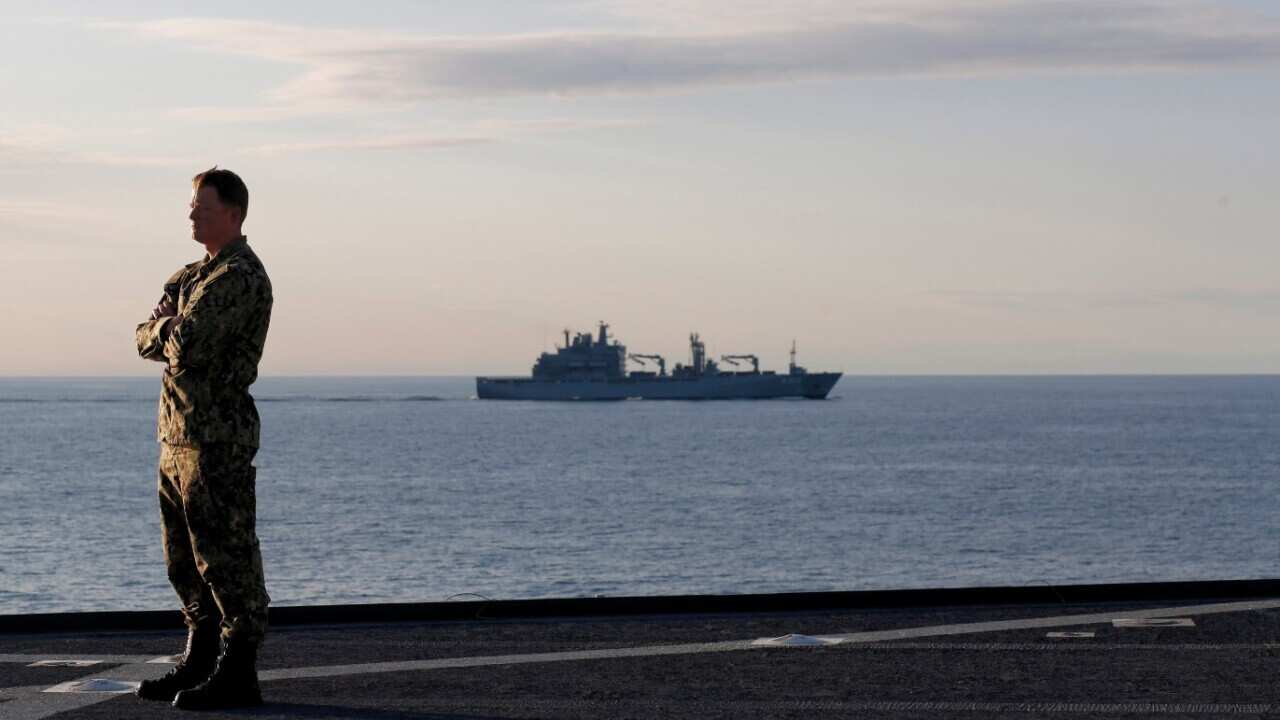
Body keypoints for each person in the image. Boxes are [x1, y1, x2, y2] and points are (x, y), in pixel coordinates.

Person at [133, 167, 273, 710]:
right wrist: (166, 329)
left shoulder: (239, 277)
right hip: (177, 436)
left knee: (226, 556)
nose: (192, 215)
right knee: (182, 559)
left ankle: (238, 670)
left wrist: (169, 328)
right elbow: (142, 338)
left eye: (203, 208)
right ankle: (199, 658)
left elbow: (183, 342)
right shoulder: (191, 276)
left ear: (233, 215)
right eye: (193, 207)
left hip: (217, 439)